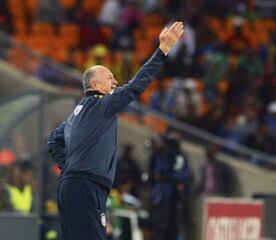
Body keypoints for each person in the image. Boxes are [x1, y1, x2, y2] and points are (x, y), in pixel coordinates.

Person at [47, 22, 184, 240]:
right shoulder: (101, 105)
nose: (115, 81)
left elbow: (54, 141)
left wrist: (70, 168)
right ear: (94, 84)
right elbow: (134, 87)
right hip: (85, 187)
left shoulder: (78, 114)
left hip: (77, 185)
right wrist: (163, 51)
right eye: (110, 77)